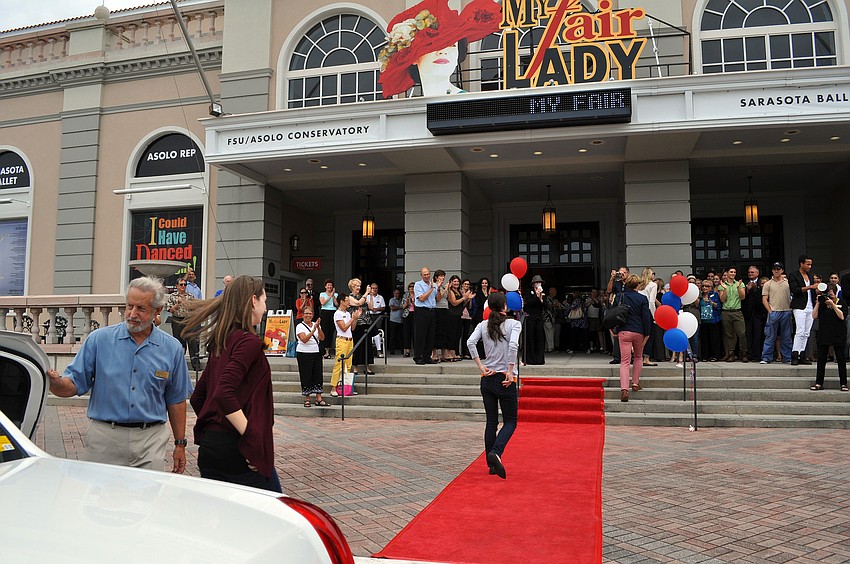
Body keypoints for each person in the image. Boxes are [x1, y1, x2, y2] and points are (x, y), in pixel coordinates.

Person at [46, 277, 191, 473]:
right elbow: (73, 384)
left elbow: (176, 400)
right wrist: (54, 383)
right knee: (98, 501)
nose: (132, 314)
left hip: (150, 441)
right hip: (104, 439)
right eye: (129, 306)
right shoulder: (99, 340)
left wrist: (180, 444)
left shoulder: (172, 348)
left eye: (141, 308)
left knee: (146, 501)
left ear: (157, 310)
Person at [184, 275, 280, 492]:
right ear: (253, 301)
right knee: (274, 515)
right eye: (264, 301)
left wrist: (214, 426)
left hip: (211, 449)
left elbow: (199, 396)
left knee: (223, 521)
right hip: (238, 450)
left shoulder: (223, 339)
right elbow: (223, 393)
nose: (265, 308)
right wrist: (253, 441)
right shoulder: (247, 342)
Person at [378, 0, 501, 98]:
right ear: (413, 57)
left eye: (452, 45)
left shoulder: (467, 102)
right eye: (433, 46)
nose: (443, 51)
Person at [467, 292, 521, 480]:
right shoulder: (514, 324)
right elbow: (513, 345)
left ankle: (492, 465)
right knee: (511, 421)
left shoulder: (483, 325)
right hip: (504, 379)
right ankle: (495, 453)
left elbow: (470, 342)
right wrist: (510, 369)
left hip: (487, 377)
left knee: (491, 422)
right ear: (505, 307)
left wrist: (481, 366)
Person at [613, 275, 652, 402]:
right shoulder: (642, 298)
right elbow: (646, 317)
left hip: (624, 330)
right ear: (638, 285)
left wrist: (612, 328)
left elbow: (613, 312)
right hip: (638, 331)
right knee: (639, 357)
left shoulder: (619, 296)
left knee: (624, 361)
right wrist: (647, 333)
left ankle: (624, 389)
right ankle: (635, 383)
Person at [810, 283, 847, 391]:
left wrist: (833, 304)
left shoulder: (842, 302)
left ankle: (843, 383)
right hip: (824, 333)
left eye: (831, 295)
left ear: (835, 294)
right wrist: (818, 303)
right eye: (828, 295)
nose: (829, 297)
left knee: (840, 359)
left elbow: (842, 316)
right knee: (821, 360)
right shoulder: (822, 304)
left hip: (838, 334)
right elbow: (814, 316)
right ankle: (818, 383)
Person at [166, 274, 201, 371]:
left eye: (185, 285)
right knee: (179, 343)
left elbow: (195, 307)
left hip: (188, 320)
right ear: (177, 286)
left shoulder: (190, 296)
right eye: (181, 285)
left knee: (192, 342)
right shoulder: (173, 296)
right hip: (177, 320)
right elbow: (170, 310)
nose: (183, 287)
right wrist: (178, 304)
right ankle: (179, 365)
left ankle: (196, 365)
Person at [295, 306, 329, 407]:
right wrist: (313, 331)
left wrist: (318, 327)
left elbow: (322, 338)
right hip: (304, 353)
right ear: (303, 315)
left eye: (310, 314)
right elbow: (304, 339)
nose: (308, 316)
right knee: (306, 375)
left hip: (316, 352)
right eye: (306, 313)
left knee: (318, 375)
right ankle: (307, 398)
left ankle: (319, 398)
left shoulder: (316, 325)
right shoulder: (299, 326)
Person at [760, 263, 793, 364]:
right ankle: (766, 357)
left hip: (786, 311)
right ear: (772, 270)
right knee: (770, 335)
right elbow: (764, 299)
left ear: (782, 270)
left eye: (778, 269)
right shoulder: (768, 284)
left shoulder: (788, 283)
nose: (776, 271)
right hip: (774, 311)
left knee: (786, 336)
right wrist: (770, 310)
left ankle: (787, 357)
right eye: (774, 269)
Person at [789, 255, 817, 365]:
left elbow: (813, 290)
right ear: (801, 264)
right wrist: (810, 287)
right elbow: (795, 290)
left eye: (810, 264)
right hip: (799, 306)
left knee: (806, 332)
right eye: (808, 264)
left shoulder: (810, 276)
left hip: (810, 306)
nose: (810, 266)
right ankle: (794, 354)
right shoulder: (793, 275)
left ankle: (802, 354)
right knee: (799, 331)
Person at [331, 293, 360, 396]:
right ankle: (334, 387)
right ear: (342, 301)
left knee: (348, 364)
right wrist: (352, 319)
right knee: (339, 364)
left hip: (349, 339)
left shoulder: (347, 313)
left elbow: (352, 328)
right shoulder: (337, 313)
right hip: (341, 340)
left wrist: (355, 318)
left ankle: (347, 387)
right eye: (347, 300)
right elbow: (343, 328)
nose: (349, 302)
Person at [718, 267, 748, 362]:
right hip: (726, 312)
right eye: (731, 272)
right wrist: (726, 289)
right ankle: (731, 354)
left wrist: (739, 287)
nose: (733, 273)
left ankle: (744, 353)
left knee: (742, 333)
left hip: (737, 311)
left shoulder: (740, 283)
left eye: (734, 272)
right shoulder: (722, 285)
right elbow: (722, 299)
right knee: (729, 334)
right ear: (726, 273)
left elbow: (743, 297)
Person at [347, 278, 374, 375]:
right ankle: (355, 367)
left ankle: (367, 367)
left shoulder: (363, 296)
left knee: (367, 346)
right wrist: (366, 293)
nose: (358, 287)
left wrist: (370, 296)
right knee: (357, 345)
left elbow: (371, 307)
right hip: (357, 323)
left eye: (359, 286)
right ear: (352, 287)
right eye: (356, 286)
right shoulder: (349, 297)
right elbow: (358, 303)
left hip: (366, 323)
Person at [413, 267, 437, 365]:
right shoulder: (418, 285)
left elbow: (437, 298)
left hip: (431, 310)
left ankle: (427, 356)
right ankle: (418, 356)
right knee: (420, 335)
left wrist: (439, 288)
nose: (426, 276)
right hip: (421, 311)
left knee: (430, 335)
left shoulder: (434, 284)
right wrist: (431, 289)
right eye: (424, 274)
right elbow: (422, 298)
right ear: (421, 275)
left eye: (428, 274)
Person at [606, 266, 630, 365]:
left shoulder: (631, 282)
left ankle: (629, 356)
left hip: (628, 309)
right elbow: (609, 290)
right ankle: (616, 356)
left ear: (628, 273)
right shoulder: (617, 283)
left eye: (624, 272)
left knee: (628, 332)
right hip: (618, 309)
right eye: (620, 273)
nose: (622, 274)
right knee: (617, 332)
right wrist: (612, 278)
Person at [743, 266, 766, 361]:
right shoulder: (744, 283)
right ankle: (749, 354)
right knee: (748, 335)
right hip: (748, 313)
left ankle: (757, 355)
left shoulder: (762, 283)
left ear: (757, 273)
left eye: (752, 272)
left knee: (758, 335)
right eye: (749, 272)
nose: (750, 274)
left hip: (759, 313)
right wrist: (747, 290)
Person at [637, 267, 659, 366]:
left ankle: (638, 356)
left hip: (638, 312)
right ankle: (646, 358)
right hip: (648, 312)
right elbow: (651, 301)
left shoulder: (640, 285)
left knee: (640, 335)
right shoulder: (653, 285)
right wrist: (654, 315)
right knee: (649, 335)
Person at [524, 274, 546, 364]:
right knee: (531, 338)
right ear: (533, 284)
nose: (538, 284)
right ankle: (531, 359)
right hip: (531, 318)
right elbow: (529, 303)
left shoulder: (542, 293)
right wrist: (536, 295)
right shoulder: (529, 292)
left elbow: (544, 306)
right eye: (536, 282)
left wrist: (541, 299)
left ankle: (539, 359)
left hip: (539, 318)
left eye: (539, 282)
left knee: (540, 338)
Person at [699, 279, 723, 361]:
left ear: (711, 288)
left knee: (714, 339)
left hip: (713, 320)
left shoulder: (715, 295)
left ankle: (715, 356)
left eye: (707, 286)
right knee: (705, 339)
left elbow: (719, 306)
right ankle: (705, 356)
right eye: (703, 286)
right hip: (703, 320)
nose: (704, 288)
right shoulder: (700, 296)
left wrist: (711, 302)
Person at [445, 275, 467, 361]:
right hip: (451, 315)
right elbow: (454, 303)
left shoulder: (459, 292)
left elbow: (462, 305)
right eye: (454, 281)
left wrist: (467, 298)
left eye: (457, 281)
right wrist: (463, 298)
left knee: (457, 334)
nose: (456, 283)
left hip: (458, 315)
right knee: (451, 334)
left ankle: (454, 352)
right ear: (451, 282)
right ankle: (449, 352)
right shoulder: (450, 291)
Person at [319, 279, 338, 359]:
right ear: (325, 286)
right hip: (325, 312)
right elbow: (322, 303)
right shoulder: (322, 294)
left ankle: (328, 351)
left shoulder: (335, 294)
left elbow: (336, 304)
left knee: (331, 331)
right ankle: (324, 351)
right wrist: (330, 296)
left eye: (331, 285)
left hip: (333, 312)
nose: (329, 286)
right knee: (324, 330)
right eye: (328, 285)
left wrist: (333, 296)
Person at [432, 269, 449, 362]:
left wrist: (447, 289)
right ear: (436, 277)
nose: (442, 278)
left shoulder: (443, 286)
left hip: (445, 309)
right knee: (436, 331)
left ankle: (443, 353)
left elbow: (447, 298)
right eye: (440, 276)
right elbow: (438, 298)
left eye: (443, 276)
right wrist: (444, 289)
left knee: (444, 331)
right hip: (437, 310)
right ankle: (434, 353)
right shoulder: (434, 286)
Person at [366, 282, 386, 358]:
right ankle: (370, 351)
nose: (374, 289)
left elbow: (383, 307)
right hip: (369, 315)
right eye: (373, 288)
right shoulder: (367, 297)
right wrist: (371, 308)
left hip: (378, 316)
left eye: (376, 288)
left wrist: (377, 309)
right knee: (369, 332)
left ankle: (378, 350)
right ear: (370, 289)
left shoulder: (380, 297)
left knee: (377, 332)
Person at [388, 287, 404, 355]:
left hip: (401, 320)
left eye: (398, 293)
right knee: (393, 336)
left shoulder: (402, 300)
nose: (397, 295)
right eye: (396, 293)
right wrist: (401, 307)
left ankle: (402, 350)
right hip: (393, 320)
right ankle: (391, 350)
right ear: (394, 294)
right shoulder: (391, 300)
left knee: (401, 336)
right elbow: (392, 307)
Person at [402, 281, 416, 358]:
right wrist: (407, 303)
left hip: (415, 314)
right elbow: (402, 307)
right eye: (410, 287)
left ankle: (416, 350)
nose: (411, 288)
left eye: (413, 287)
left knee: (415, 332)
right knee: (407, 333)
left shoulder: (417, 295)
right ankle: (407, 351)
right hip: (407, 315)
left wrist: (414, 303)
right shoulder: (405, 295)